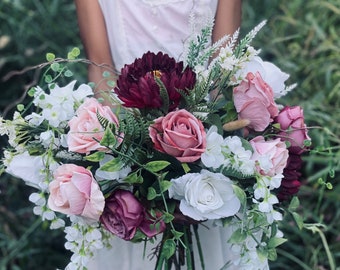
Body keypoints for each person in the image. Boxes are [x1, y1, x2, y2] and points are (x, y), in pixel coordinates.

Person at [74, 1, 242, 269]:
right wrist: (126, 156)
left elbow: (224, 74)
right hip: (130, 155)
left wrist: (200, 162)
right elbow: (101, 66)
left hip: (203, 152)